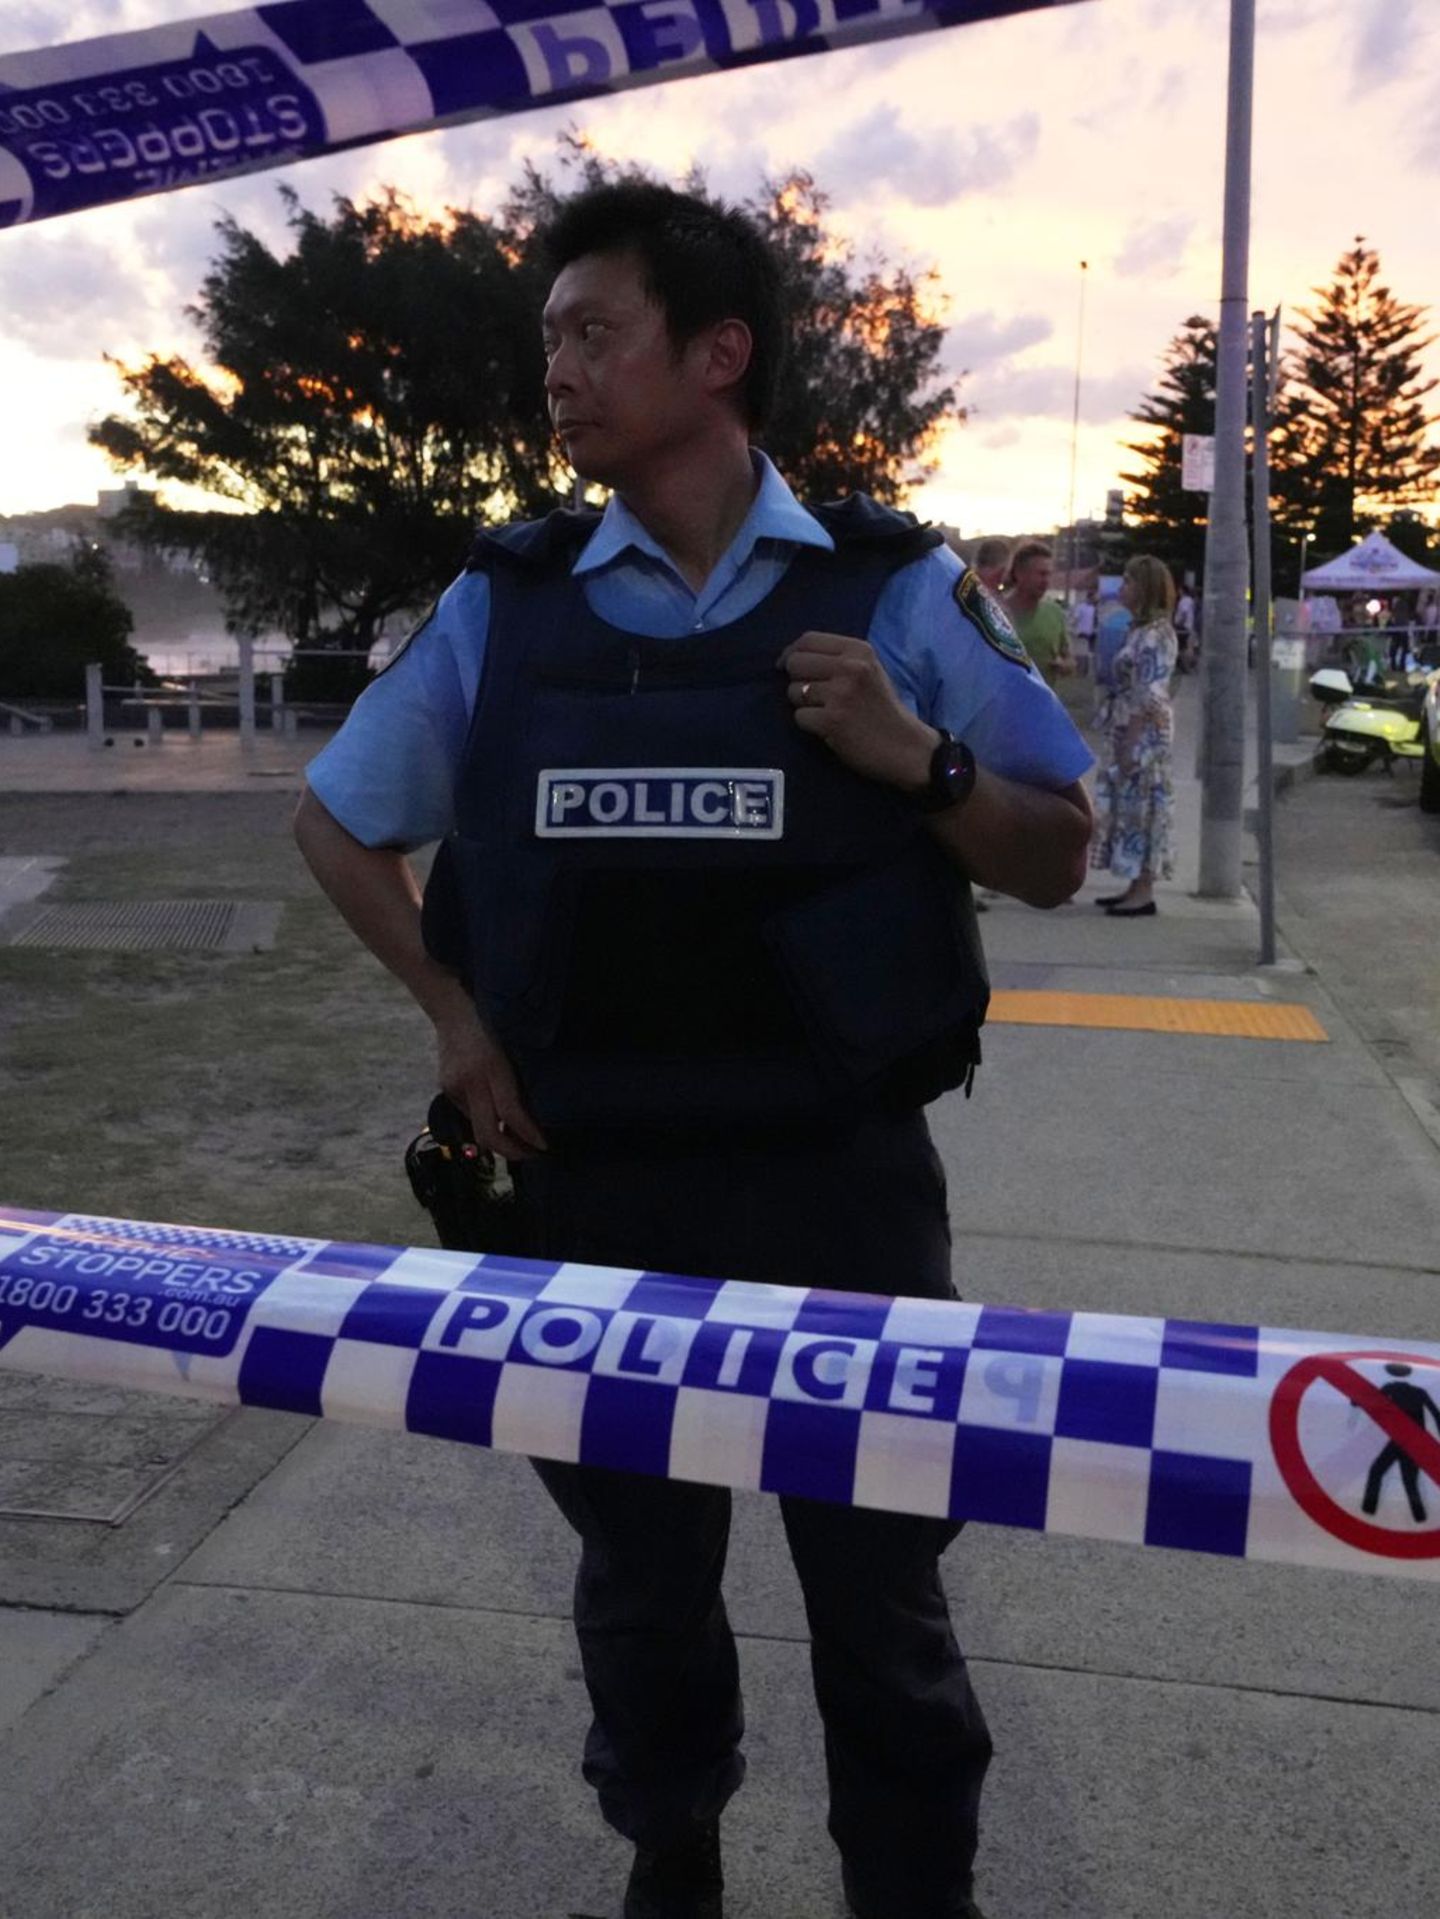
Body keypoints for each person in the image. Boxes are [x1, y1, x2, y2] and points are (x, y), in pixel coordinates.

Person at [293, 182, 1093, 1919]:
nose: (559, 374)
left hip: (839, 1188)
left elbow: (1065, 847)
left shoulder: (896, 589)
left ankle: (912, 1882)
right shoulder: (508, 604)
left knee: (879, 1588)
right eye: (549, 342)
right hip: (594, 1179)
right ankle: (675, 1850)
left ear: (716, 353)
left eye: (596, 332)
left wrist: (919, 761)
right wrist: (455, 1015)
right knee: (642, 1582)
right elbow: (340, 820)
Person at [1090, 553, 1178, 917]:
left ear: (1144, 587)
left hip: (1143, 731)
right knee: (1128, 808)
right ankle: (1133, 882)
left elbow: (1149, 693)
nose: (1121, 587)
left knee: (1142, 807)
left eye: (1128, 581)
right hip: (1127, 723)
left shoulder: (1158, 634)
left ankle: (1144, 889)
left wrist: (1132, 742)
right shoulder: (1139, 630)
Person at [1003, 541, 1072, 687]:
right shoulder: (997, 612)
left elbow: (1069, 658)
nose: (1046, 581)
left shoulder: (1054, 612)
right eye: (1041, 574)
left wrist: (1065, 665)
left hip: (1043, 705)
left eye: (1048, 574)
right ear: (1019, 574)